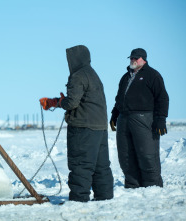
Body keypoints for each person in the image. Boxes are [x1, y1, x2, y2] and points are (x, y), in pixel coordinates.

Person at [40, 45, 114, 202]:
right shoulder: (93, 74)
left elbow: (72, 103)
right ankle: (105, 199)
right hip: (99, 127)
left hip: (83, 127)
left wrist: (57, 102)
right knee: (101, 166)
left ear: (75, 59)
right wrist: (59, 101)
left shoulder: (78, 76)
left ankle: (78, 202)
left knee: (81, 165)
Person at [110, 48, 169, 188]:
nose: (133, 60)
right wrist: (114, 114)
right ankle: (132, 186)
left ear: (144, 59)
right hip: (124, 119)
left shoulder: (152, 75)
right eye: (131, 58)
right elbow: (119, 99)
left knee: (147, 155)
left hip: (144, 119)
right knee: (125, 155)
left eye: (136, 58)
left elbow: (163, 98)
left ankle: (152, 186)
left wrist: (161, 118)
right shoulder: (125, 77)